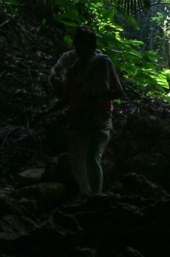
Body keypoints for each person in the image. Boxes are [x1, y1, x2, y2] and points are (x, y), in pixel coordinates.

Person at [36, 26, 124, 195]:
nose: (80, 49)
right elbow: (70, 97)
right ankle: (86, 194)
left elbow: (118, 91)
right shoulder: (75, 69)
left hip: (99, 119)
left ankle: (96, 197)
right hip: (79, 120)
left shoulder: (102, 62)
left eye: (84, 46)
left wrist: (95, 98)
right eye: (78, 45)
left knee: (92, 158)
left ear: (91, 46)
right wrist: (47, 112)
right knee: (77, 160)